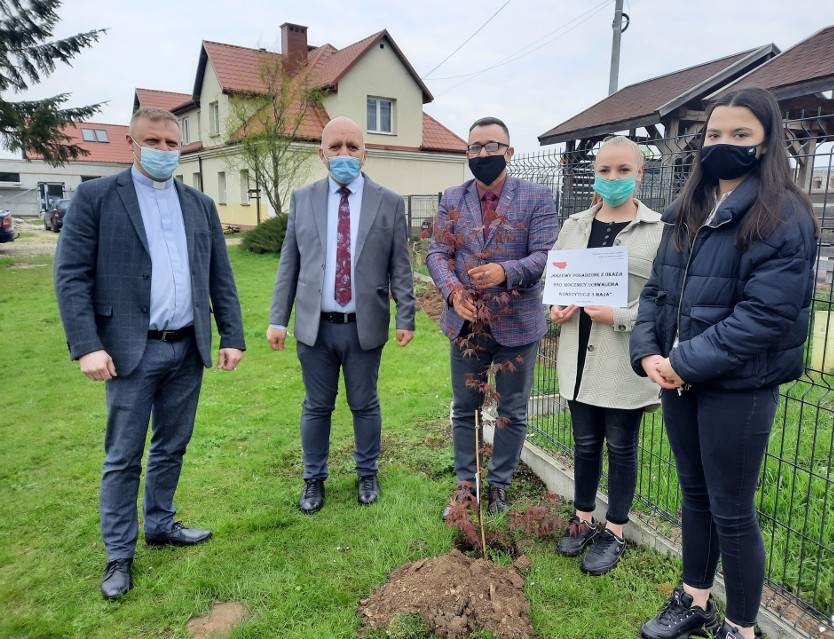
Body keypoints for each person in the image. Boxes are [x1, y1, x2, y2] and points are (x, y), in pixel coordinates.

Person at [630, 88, 818, 639]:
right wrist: (647, 351)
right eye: (714, 134)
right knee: (694, 495)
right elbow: (656, 294)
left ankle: (740, 627)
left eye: (741, 135)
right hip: (676, 376)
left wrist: (684, 361)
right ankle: (694, 599)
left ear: (765, 144)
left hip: (739, 385)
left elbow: (766, 316)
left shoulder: (784, 216)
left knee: (731, 510)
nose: (724, 144)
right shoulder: (688, 207)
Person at [53, 107, 246, 600]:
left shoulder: (199, 204)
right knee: (123, 456)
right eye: (153, 141)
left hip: (187, 346)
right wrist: (87, 345)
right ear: (131, 143)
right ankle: (119, 552)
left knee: (172, 444)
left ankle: (160, 523)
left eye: (171, 142)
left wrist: (231, 335)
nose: (164, 150)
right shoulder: (96, 198)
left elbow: (219, 275)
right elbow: (71, 274)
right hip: (128, 351)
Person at [267, 116, 415, 515]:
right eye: (336, 147)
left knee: (365, 404)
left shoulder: (388, 201)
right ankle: (314, 479)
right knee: (317, 406)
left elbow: (400, 265)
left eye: (352, 147)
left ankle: (367, 472)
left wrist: (406, 317)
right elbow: (289, 264)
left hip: (364, 327)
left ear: (364, 152)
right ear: (322, 154)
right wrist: (278, 318)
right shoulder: (303, 199)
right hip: (315, 329)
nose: (344, 154)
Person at [427, 116, 558, 518]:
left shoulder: (537, 197)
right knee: (463, 407)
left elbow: (546, 254)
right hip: (467, 324)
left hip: (517, 325)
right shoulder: (452, 197)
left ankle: (499, 485)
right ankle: (466, 488)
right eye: (475, 148)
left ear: (509, 152)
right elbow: (436, 253)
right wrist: (452, 291)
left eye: (491, 146)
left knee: (512, 410)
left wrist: (506, 271)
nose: (482, 154)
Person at [549, 136, 662, 576]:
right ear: (594, 174)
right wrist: (556, 308)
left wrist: (617, 315)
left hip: (622, 359)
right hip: (577, 354)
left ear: (640, 174)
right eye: (604, 171)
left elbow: (661, 300)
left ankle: (614, 530)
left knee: (621, 446)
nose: (612, 179)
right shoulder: (575, 225)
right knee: (584, 442)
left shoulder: (657, 232)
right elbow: (557, 278)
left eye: (622, 170)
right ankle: (582, 518)